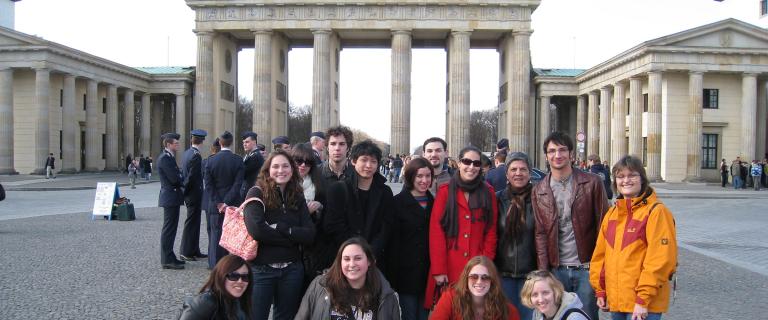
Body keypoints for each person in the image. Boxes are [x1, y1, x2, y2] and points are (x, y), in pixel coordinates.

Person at [532, 131, 609, 320]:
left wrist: (602, 268)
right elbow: (540, 233)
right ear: (546, 156)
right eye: (552, 151)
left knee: (587, 317)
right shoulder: (539, 189)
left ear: (571, 154)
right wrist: (543, 272)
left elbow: (604, 227)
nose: (557, 155)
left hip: (586, 269)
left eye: (562, 150)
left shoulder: (592, 182)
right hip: (557, 270)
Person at [590, 155, 677, 320]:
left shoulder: (656, 212)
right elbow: (600, 256)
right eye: (621, 176)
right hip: (617, 303)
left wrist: (642, 299)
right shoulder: (612, 214)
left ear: (642, 179)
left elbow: (660, 261)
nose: (626, 180)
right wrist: (601, 289)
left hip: (643, 305)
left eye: (632, 175)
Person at [243, 150, 316, 320]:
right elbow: (257, 230)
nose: (281, 170)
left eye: (285, 166)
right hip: (261, 269)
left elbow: (310, 234)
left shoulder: (297, 196)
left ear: (292, 169)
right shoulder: (256, 193)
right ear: (268, 170)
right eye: (275, 166)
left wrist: (283, 229)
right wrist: (293, 236)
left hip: (292, 270)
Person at [426, 146, 499, 309]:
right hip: (450, 265)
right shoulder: (445, 191)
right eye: (467, 161)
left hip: (477, 264)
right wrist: (439, 269)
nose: (471, 167)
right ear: (459, 163)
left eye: (476, 163)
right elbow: (436, 231)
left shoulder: (489, 192)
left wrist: (486, 263)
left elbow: (491, 231)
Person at [295, 237, 401, 320]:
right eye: (346, 259)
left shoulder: (386, 296)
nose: (352, 264)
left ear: (369, 261)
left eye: (358, 258)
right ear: (340, 262)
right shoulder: (320, 286)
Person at [324, 140, 393, 263]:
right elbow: (334, 226)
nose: (368, 165)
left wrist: (372, 252)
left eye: (373, 161)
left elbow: (386, 227)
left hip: (375, 258)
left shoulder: (385, 192)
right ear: (353, 161)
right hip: (346, 258)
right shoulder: (338, 189)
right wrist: (357, 252)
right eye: (364, 160)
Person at [386, 157, 434, 320]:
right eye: (419, 176)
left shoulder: (435, 203)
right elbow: (392, 242)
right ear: (410, 177)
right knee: (409, 315)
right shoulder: (396, 203)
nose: (424, 180)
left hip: (428, 272)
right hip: (406, 273)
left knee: (424, 316)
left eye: (428, 176)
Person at [495, 152, 537, 320]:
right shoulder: (497, 199)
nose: (518, 173)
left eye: (523, 169)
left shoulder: (539, 198)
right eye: (513, 169)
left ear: (530, 172)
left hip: (531, 275)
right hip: (503, 274)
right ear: (507, 174)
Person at [291, 143, 334, 291]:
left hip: (312, 248)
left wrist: (320, 208)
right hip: (289, 247)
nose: (303, 166)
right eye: (298, 161)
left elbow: (327, 215)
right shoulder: (282, 184)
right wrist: (304, 213)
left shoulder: (319, 184)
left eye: (308, 162)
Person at [431, 256, 520, 320]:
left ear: (492, 281)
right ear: (466, 279)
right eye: (474, 277)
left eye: (485, 278)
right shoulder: (450, 298)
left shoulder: (506, 309)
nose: (479, 282)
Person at [204, 131, 244, 269]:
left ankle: (215, 266)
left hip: (215, 205)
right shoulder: (238, 160)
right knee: (233, 235)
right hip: (233, 204)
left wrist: (219, 203)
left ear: (220, 143)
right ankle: (231, 265)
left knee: (216, 235)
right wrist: (226, 202)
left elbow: (209, 185)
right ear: (231, 143)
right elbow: (238, 184)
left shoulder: (210, 160)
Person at [178, 255, 252, 320]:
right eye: (233, 276)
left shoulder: (241, 300)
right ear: (221, 276)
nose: (240, 281)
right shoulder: (205, 303)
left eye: (245, 277)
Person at [157, 132, 186, 270]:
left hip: (172, 197)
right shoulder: (165, 159)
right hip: (170, 197)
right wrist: (182, 179)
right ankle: (166, 259)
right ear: (168, 144)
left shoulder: (168, 157)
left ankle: (170, 255)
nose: (178, 145)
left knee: (171, 229)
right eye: (176, 143)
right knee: (169, 229)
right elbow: (175, 179)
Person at [180, 129, 208, 262]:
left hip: (191, 194)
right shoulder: (196, 155)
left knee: (194, 222)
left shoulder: (187, 153)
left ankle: (194, 250)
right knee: (191, 223)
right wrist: (186, 190)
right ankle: (186, 251)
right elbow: (192, 177)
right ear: (202, 141)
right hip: (194, 194)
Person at [521, 270, 590, 320]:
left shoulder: (574, 317)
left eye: (545, 293)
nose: (541, 300)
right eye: (535, 295)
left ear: (555, 291)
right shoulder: (538, 313)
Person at [201, 138, 221, 266]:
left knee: (210, 230)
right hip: (220, 200)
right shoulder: (228, 160)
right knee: (219, 232)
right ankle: (217, 259)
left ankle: (211, 258)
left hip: (208, 200)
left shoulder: (205, 161)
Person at [240, 131, 264, 202]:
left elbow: (243, 172)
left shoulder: (255, 156)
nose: (244, 144)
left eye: (247, 142)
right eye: (243, 142)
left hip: (251, 191)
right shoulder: (249, 155)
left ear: (254, 142)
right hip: (248, 190)